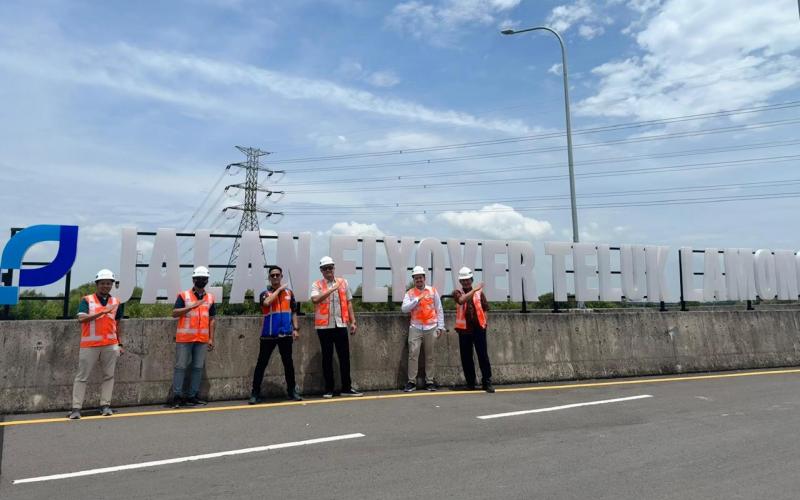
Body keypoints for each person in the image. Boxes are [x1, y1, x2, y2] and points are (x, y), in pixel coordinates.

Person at [69, 269, 124, 419]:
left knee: (109, 376)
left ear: (112, 285)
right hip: (90, 345)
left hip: (110, 344)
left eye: (108, 283)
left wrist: (119, 344)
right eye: (103, 283)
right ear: (97, 284)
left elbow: (117, 324)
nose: (106, 286)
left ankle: (105, 405)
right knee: (82, 377)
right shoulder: (87, 300)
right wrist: (102, 312)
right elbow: (81, 319)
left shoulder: (116, 302)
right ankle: (76, 408)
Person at [310, 256, 362, 398]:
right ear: (321, 270)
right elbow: (315, 299)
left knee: (344, 357)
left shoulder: (343, 282)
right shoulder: (317, 284)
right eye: (325, 268)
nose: (328, 270)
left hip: (340, 324)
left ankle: (347, 388)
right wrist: (331, 289)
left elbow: (349, 302)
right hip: (324, 327)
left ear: (334, 268)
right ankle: (329, 389)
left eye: (330, 267)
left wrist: (353, 321)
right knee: (327, 358)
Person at [250, 265, 302, 404]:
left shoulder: (289, 293)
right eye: (272, 275)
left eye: (277, 275)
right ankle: (255, 393)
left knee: (288, 364)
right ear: (269, 278)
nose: (275, 277)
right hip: (268, 335)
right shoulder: (265, 293)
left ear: (281, 276)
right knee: (261, 364)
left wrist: (296, 329)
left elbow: (293, 311)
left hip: (285, 334)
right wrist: (279, 290)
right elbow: (267, 303)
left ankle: (292, 391)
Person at [170, 266, 216, 407]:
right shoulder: (184, 295)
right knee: (180, 367)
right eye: (199, 278)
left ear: (207, 280)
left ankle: (192, 395)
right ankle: (177, 396)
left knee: (197, 368)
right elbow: (174, 313)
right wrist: (191, 306)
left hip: (202, 339)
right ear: (193, 280)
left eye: (204, 279)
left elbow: (212, 319)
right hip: (185, 339)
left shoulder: (210, 298)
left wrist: (211, 338)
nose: (201, 281)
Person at [400, 266, 445, 392]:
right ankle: (411, 382)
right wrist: (416, 300)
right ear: (413, 279)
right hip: (415, 327)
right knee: (413, 355)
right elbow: (404, 309)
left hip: (431, 327)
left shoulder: (432, 291)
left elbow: (439, 309)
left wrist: (440, 326)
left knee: (430, 356)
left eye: (420, 277)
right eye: (416, 278)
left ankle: (430, 381)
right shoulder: (410, 293)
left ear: (424, 278)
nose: (418, 280)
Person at [452, 266, 494, 393]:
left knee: (483, 355)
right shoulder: (457, 292)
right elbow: (461, 300)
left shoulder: (479, 293)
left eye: (468, 279)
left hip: (478, 328)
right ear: (460, 281)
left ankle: (487, 382)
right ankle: (470, 383)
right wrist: (475, 289)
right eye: (463, 280)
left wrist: (484, 323)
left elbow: (485, 308)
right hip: (464, 330)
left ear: (471, 279)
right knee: (466, 357)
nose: (466, 282)